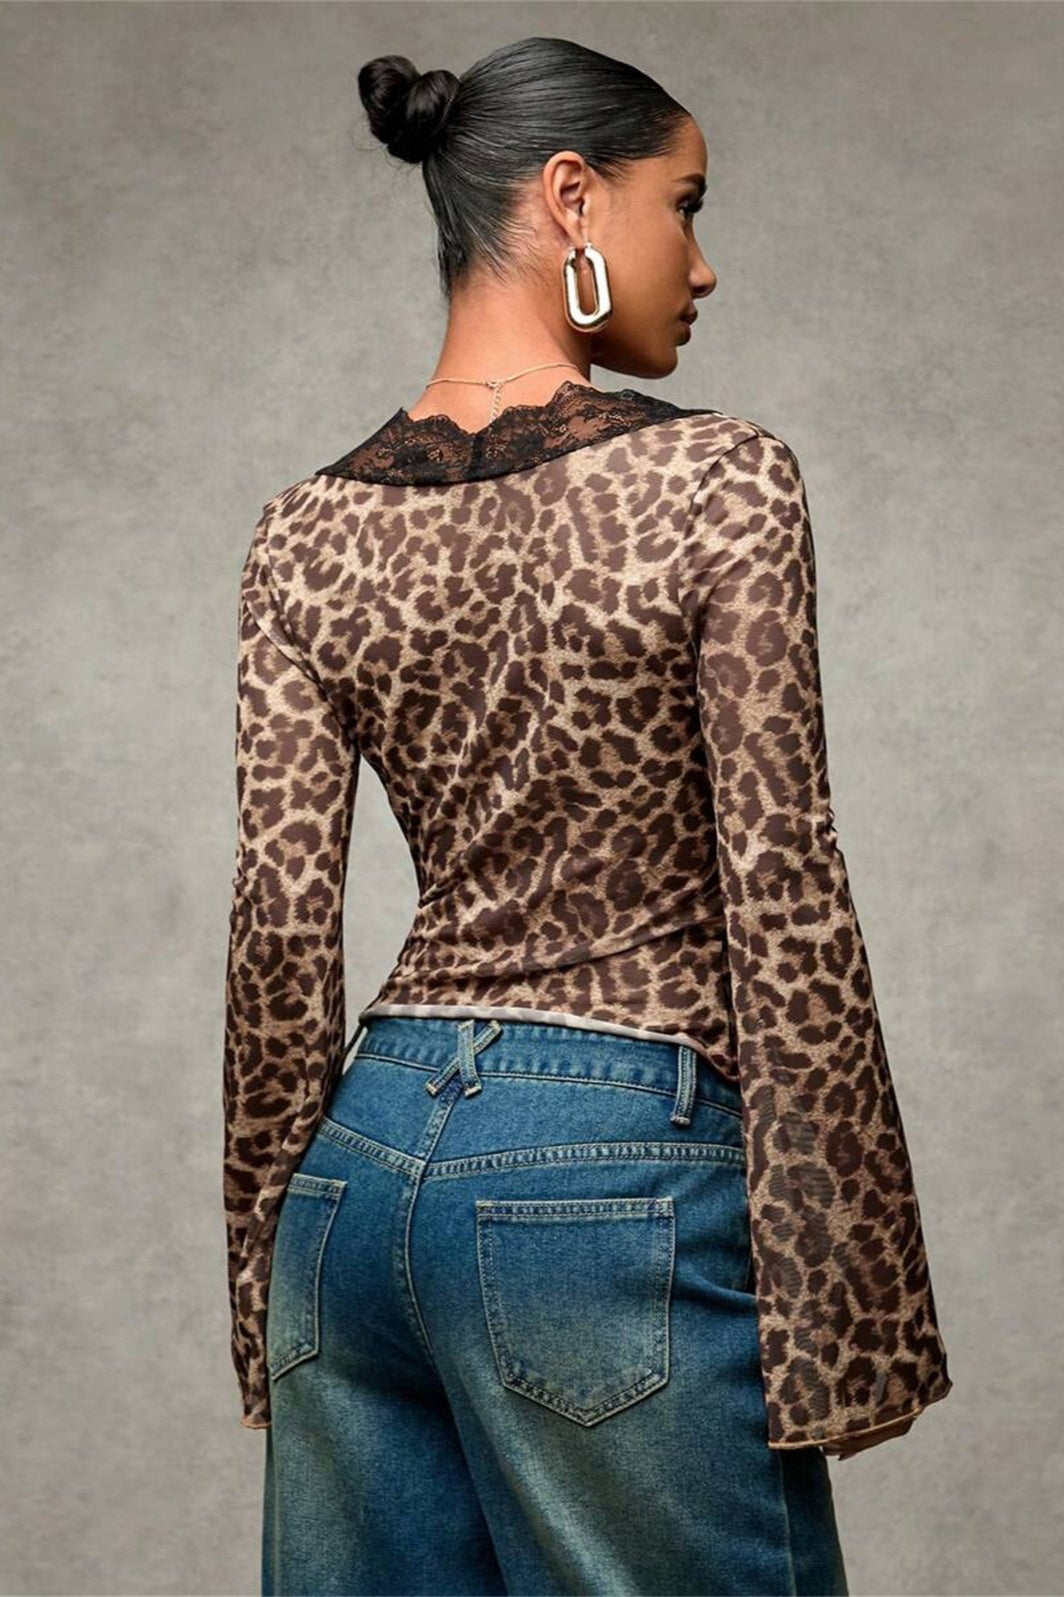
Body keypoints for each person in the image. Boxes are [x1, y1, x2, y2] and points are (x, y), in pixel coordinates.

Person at [223, 35, 952, 1596]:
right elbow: (784, 889)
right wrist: (848, 1318)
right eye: (684, 204)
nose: (704, 263)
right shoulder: (719, 484)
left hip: (354, 1182)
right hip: (606, 1176)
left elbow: (279, 931)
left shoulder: (299, 537)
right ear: (571, 197)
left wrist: (267, 1290)